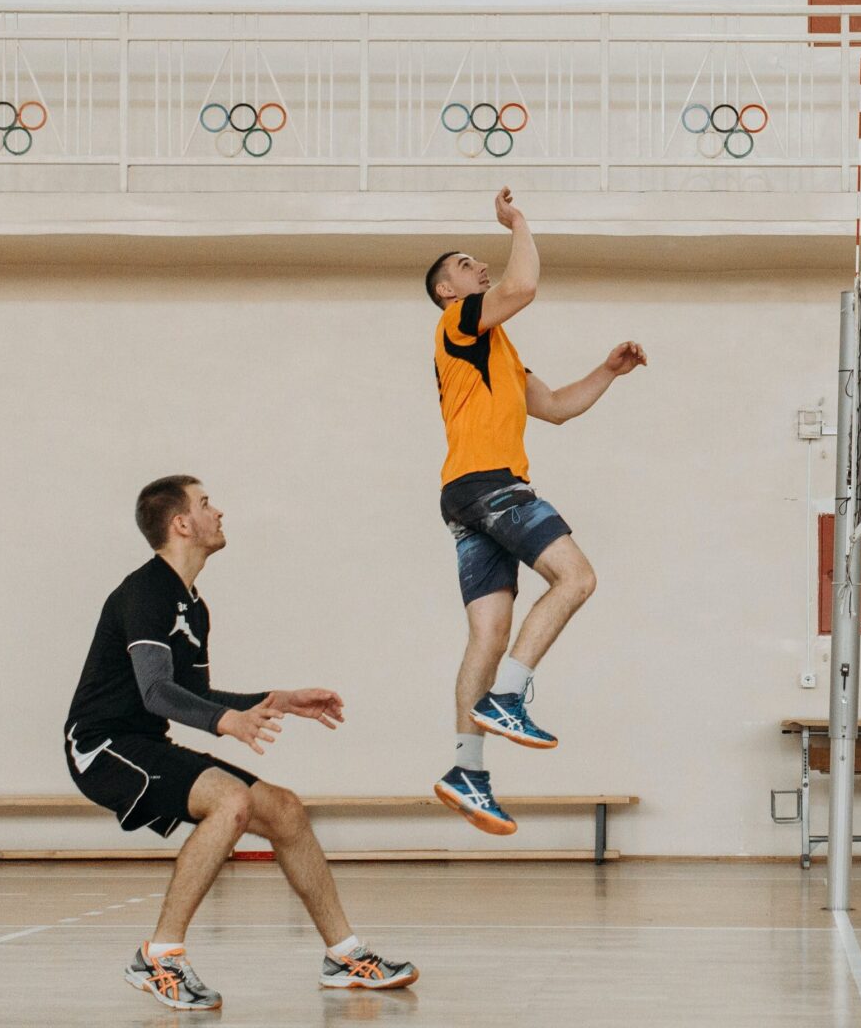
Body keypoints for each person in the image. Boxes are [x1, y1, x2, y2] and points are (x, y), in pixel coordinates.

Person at [65, 474, 415, 1011]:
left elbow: (194, 693)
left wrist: (276, 698)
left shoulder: (192, 605)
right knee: (231, 802)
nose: (219, 512)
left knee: (285, 809)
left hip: (144, 740)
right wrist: (226, 721)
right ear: (182, 523)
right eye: (206, 504)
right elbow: (157, 691)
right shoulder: (144, 592)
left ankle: (345, 956)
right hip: (101, 746)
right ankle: (159, 957)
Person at [421, 187, 647, 835]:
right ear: (446, 289)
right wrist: (517, 220)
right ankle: (509, 696)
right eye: (467, 263)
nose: (479, 267)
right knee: (576, 577)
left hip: (464, 497)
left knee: (488, 635)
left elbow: (555, 406)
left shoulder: (497, 349)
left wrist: (607, 370)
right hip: (491, 482)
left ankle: (466, 768)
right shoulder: (460, 319)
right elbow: (522, 284)